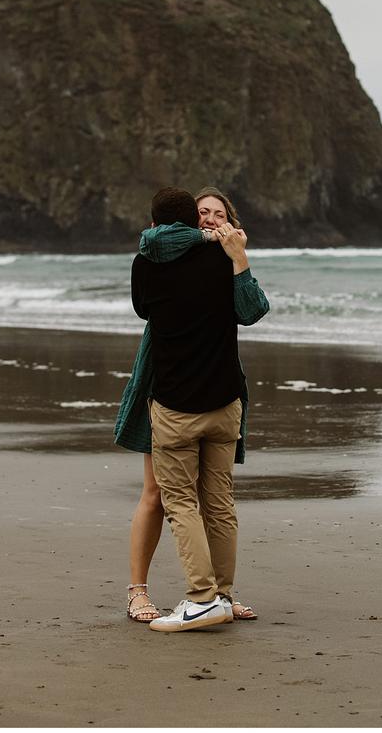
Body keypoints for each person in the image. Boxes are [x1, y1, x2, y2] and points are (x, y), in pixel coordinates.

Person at [116, 187, 268, 623]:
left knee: (207, 501)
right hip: (164, 390)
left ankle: (212, 596)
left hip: (192, 398)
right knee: (157, 496)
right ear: (188, 220)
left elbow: (248, 309)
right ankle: (140, 592)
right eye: (202, 213)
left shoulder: (208, 259)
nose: (210, 220)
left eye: (219, 214)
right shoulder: (194, 259)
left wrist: (237, 259)